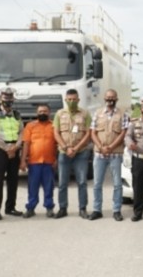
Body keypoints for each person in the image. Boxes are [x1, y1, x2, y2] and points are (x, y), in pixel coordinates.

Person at [88, 89, 130, 222]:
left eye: (113, 97)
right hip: (99, 155)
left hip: (115, 154)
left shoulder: (123, 114)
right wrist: (101, 147)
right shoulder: (98, 113)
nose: (110, 99)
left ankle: (116, 210)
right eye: (108, 97)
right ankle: (97, 210)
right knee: (97, 184)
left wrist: (111, 147)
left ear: (116, 99)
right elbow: (93, 132)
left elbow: (123, 133)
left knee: (117, 184)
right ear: (104, 99)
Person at [53, 89, 92, 219]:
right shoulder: (59, 114)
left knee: (82, 182)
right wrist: (65, 147)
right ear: (65, 100)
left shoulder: (85, 114)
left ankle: (82, 208)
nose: (71, 102)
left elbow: (88, 133)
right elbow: (56, 133)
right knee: (63, 182)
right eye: (69, 100)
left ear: (78, 100)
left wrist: (75, 148)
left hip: (81, 153)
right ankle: (62, 208)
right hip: (64, 153)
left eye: (74, 99)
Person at [0, 87, 24, 220]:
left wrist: (16, 147)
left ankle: (10, 208)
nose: (7, 100)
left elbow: (21, 132)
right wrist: (7, 148)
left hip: (14, 148)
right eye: (5, 98)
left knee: (13, 180)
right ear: (0, 99)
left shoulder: (17, 114)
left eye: (10, 98)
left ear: (13, 99)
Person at [20, 104, 57, 219]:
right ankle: (30, 208)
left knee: (49, 186)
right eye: (40, 111)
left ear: (49, 113)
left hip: (49, 162)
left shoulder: (54, 126)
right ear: (37, 113)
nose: (42, 113)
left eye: (45, 111)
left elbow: (57, 144)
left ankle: (49, 208)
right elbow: (26, 144)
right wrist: (23, 161)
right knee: (33, 186)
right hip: (34, 162)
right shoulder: (30, 126)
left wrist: (57, 159)